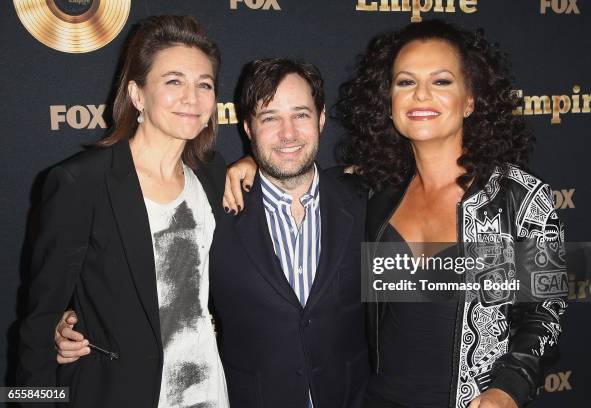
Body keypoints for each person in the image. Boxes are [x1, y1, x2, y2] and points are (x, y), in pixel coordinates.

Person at [220, 20, 567, 408]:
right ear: (389, 100)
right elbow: (300, 174)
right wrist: (252, 161)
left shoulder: (520, 196)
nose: (421, 95)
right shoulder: (376, 191)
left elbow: (547, 310)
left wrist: (508, 390)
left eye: (441, 81)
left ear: (470, 99)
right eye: (405, 82)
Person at [54, 58, 370, 408]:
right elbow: (150, 287)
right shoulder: (212, 206)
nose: (288, 133)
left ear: (322, 118)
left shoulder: (365, 201)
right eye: (269, 118)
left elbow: (408, 304)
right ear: (248, 128)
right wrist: (74, 322)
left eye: (300, 115)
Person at [17, 15, 229, 407]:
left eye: (205, 85)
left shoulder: (214, 176)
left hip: (206, 390)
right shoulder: (80, 183)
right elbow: (37, 325)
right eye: (173, 81)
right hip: (116, 393)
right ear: (136, 94)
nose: (192, 98)